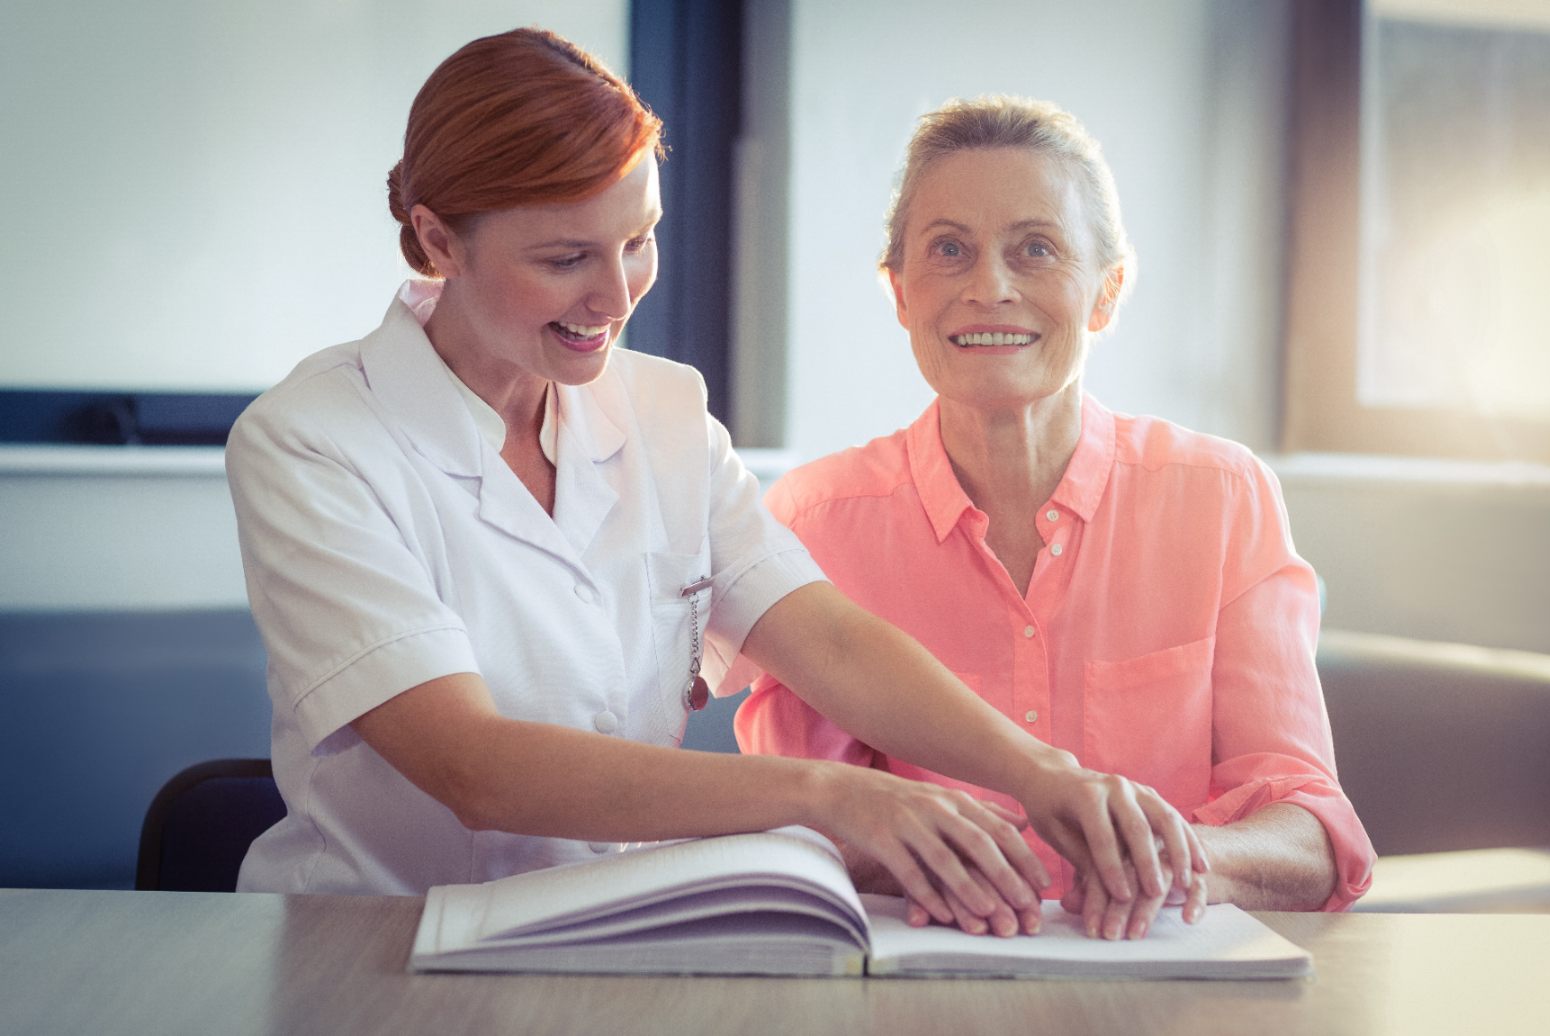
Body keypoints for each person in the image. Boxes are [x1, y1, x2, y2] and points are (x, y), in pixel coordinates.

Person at [225, 30, 1205, 936]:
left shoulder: (663, 413)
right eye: (566, 258)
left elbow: (819, 634)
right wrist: (827, 797)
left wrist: (1042, 776)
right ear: (440, 243)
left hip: (619, 943)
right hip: (374, 952)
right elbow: (471, 763)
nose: (615, 298)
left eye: (638, 239)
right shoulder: (313, 442)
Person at [736, 96, 1375, 941]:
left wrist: (1176, 859)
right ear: (899, 293)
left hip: (1170, 986)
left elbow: (1312, 832)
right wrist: (927, 860)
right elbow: (802, 825)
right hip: (920, 979)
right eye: (948, 251)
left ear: (1105, 294)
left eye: (1035, 249)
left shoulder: (1222, 497)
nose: (988, 287)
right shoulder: (810, 521)